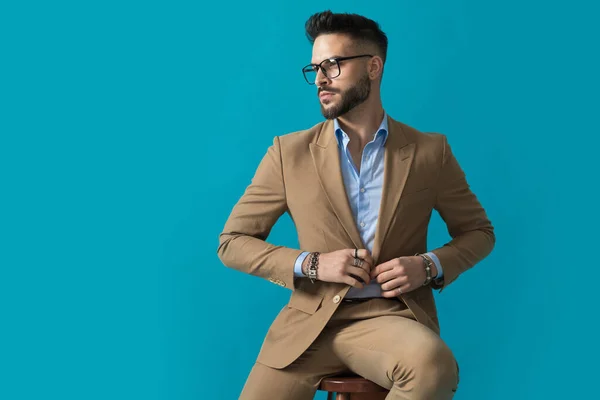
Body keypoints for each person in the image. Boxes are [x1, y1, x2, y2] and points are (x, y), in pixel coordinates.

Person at [216, 10, 495, 400]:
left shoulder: (430, 152)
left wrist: (428, 266)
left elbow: (479, 233)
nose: (320, 80)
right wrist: (311, 263)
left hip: (389, 320)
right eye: (314, 68)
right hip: (306, 328)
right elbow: (232, 241)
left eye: (332, 65)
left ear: (373, 67)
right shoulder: (288, 153)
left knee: (434, 366)